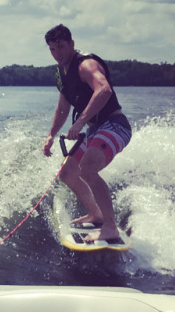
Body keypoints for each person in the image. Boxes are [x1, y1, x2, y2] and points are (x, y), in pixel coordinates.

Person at [42, 24, 131, 242]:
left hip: (115, 125)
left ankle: (109, 226)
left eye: (61, 47)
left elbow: (104, 90)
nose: (57, 54)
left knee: (88, 168)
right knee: (67, 173)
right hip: (93, 130)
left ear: (72, 44)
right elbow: (63, 108)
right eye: (52, 49)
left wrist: (80, 122)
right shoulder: (62, 74)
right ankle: (96, 214)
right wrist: (51, 135)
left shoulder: (86, 65)